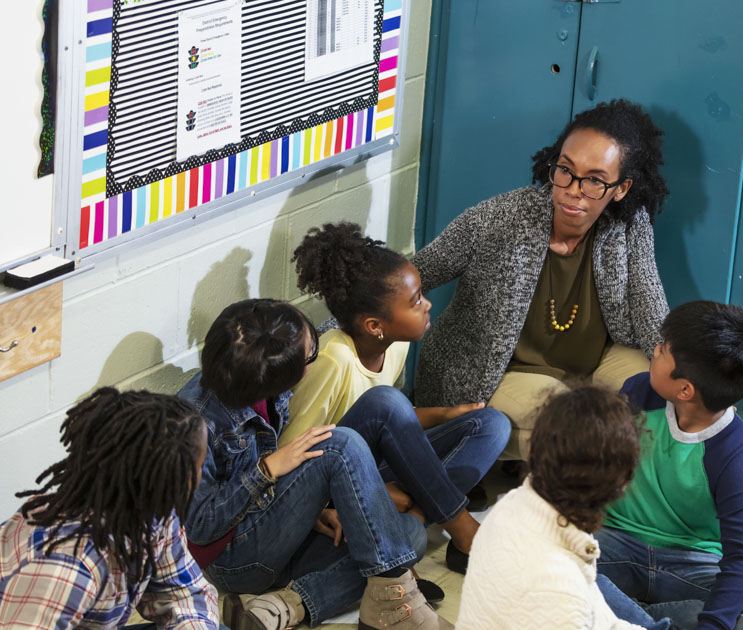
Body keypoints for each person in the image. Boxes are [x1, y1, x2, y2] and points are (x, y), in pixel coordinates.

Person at [412, 99, 671, 460]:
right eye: (565, 170)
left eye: (595, 180)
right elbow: (408, 278)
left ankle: (633, 504)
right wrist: (335, 337)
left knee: (665, 391)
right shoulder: (499, 219)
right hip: (495, 372)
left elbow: (650, 303)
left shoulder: (629, 224)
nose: (574, 189)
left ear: (621, 189)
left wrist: (710, 407)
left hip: (590, 366)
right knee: (576, 428)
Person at [178, 299, 450, 630]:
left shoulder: (258, 380)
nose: (315, 356)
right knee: (341, 446)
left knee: (408, 535)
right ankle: (394, 605)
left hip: (270, 526)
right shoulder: (195, 422)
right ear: (283, 376)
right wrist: (266, 471)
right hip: (232, 559)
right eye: (311, 354)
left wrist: (306, 509)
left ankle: (284, 605)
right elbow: (200, 528)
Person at [286, 222, 510, 573]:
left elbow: (393, 426)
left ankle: (418, 511)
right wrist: (328, 505)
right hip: (331, 480)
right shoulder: (334, 358)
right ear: (375, 325)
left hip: (376, 464)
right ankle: (461, 530)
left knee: (492, 425)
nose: (428, 304)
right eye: (415, 300)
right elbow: (296, 454)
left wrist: (444, 416)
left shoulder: (397, 343)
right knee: (389, 402)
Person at [0, 389, 219, 629]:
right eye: (198, 466)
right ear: (165, 478)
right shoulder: (66, 565)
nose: (202, 473)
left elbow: (189, 594)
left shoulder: (154, 515)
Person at [598, 301, 743, 630]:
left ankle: (623, 616)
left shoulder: (732, 448)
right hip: (615, 543)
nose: (654, 350)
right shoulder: (637, 391)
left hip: (688, 562)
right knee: (544, 553)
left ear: (685, 389)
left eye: (663, 349)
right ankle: (643, 618)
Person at [458, 385, 676, 630]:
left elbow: (599, 612)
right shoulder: (560, 590)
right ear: (623, 485)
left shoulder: (510, 506)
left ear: (531, 451)